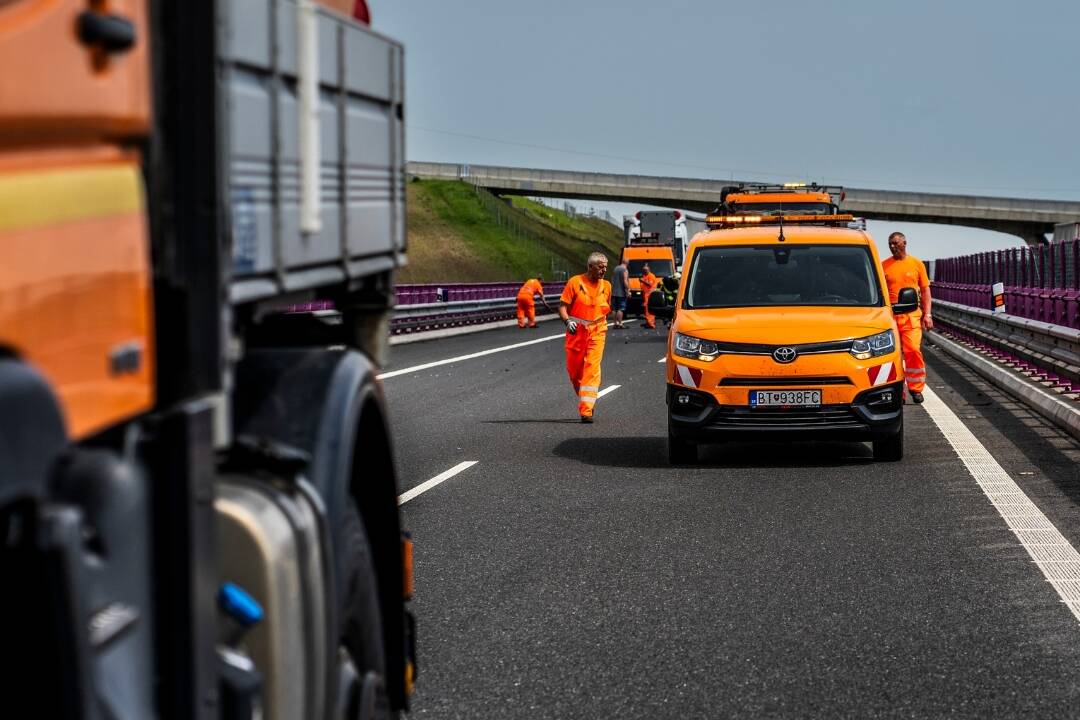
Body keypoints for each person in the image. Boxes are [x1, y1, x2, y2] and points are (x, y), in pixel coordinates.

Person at [558, 253, 612, 423]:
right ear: (590, 267)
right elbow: (562, 307)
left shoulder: (607, 286)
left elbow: (605, 309)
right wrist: (567, 321)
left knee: (591, 368)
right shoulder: (575, 282)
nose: (604, 270)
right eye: (600, 267)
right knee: (575, 373)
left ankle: (586, 410)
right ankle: (586, 399)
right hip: (576, 331)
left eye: (605, 266)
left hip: (598, 330)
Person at [882, 232, 933, 403]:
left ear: (905, 243)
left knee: (912, 350)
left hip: (911, 316)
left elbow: (925, 290)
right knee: (892, 356)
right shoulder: (883, 266)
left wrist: (927, 314)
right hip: (890, 318)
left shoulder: (916, 264)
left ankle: (915, 388)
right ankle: (899, 393)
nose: (892, 246)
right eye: (890, 243)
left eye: (896, 243)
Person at [611, 260, 629, 329]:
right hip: (621, 292)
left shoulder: (615, 268)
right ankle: (620, 323)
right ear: (627, 263)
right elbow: (625, 280)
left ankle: (615, 323)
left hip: (613, 292)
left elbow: (612, 279)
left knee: (614, 309)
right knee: (621, 308)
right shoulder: (624, 270)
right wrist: (628, 290)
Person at [639, 263, 658, 329]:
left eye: (645, 270)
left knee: (649, 310)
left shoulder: (651, 276)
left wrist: (642, 281)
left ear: (649, 270)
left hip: (650, 295)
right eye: (643, 270)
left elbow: (650, 284)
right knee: (646, 310)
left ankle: (651, 324)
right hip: (646, 295)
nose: (644, 271)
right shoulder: (645, 276)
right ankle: (648, 322)